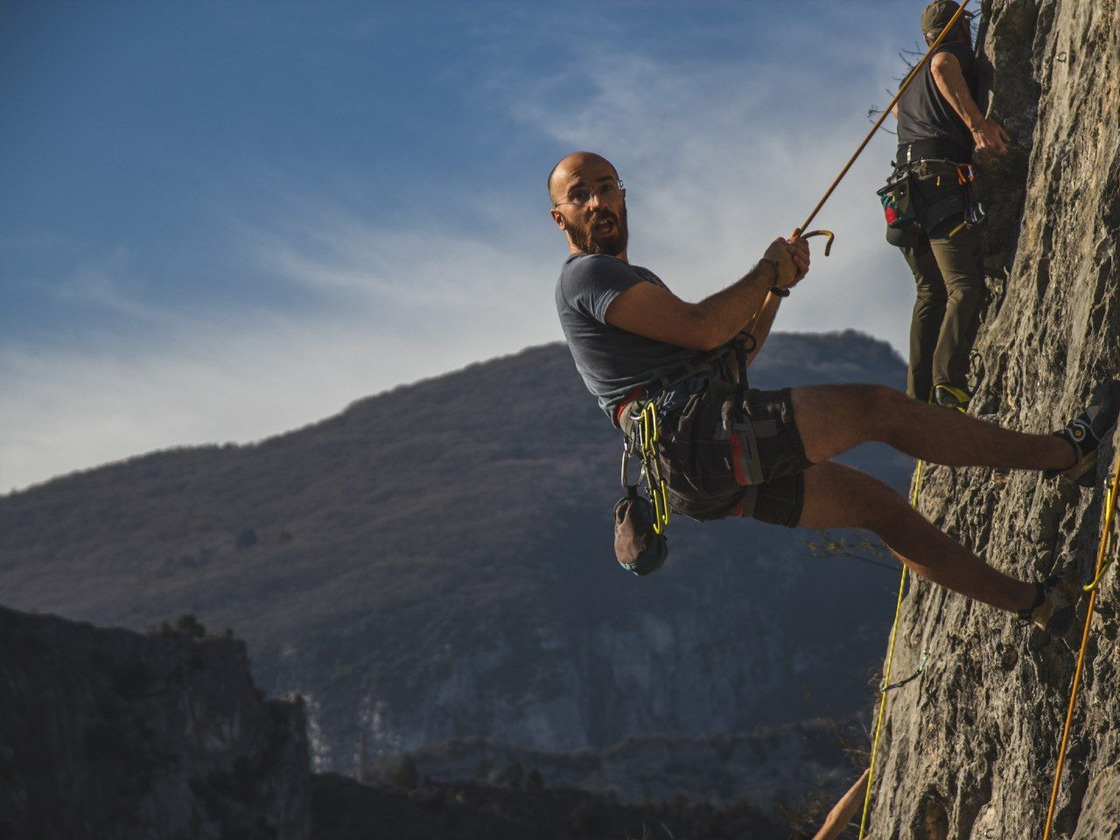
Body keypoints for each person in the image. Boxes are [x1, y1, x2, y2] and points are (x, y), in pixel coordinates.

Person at [548, 150, 1119, 629]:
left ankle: (1042, 608)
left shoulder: (631, 282)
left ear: (623, 196)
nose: (598, 202)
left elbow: (732, 351)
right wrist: (766, 269)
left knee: (881, 508)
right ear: (560, 217)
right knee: (877, 410)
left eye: (606, 188)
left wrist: (778, 289)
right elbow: (704, 327)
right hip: (701, 438)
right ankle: (1067, 454)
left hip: (693, 468)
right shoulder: (587, 276)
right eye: (581, 195)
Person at [890, 0, 1011, 409]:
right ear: (959, 27)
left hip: (903, 192)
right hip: (938, 184)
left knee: (929, 292)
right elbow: (942, 65)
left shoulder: (909, 83)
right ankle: (947, 384)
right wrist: (977, 125)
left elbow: (896, 109)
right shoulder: (951, 53)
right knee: (963, 285)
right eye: (968, 24)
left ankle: (915, 399)